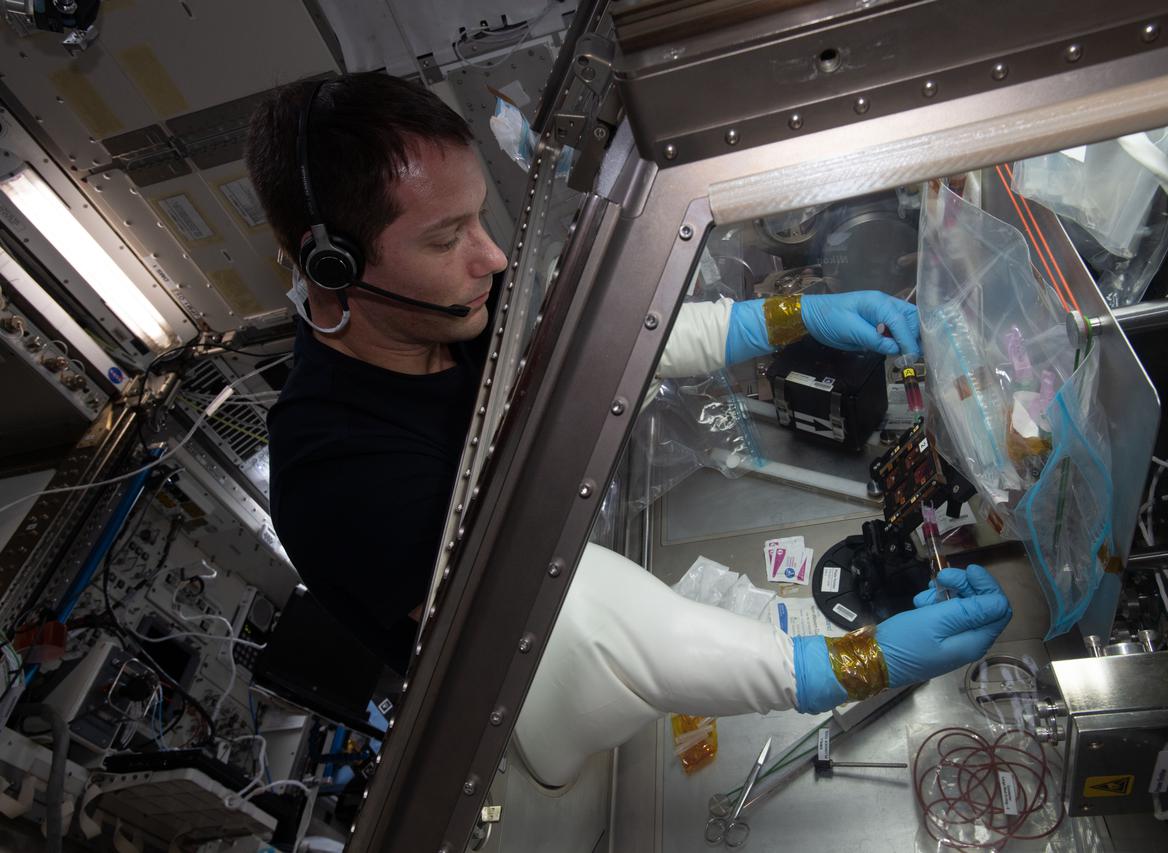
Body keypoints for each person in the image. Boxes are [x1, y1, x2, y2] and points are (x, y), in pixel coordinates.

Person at [247, 72, 1011, 785]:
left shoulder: (461, 301)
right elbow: (577, 619)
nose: (489, 255)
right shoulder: (337, 475)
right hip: (540, 704)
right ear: (337, 268)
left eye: (479, 217)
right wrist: (841, 666)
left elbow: (603, 342)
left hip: (586, 579)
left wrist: (789, 317)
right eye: (445, 239)